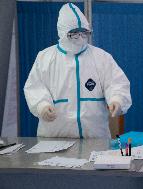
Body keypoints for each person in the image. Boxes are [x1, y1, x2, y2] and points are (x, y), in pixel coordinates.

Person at [24, 3, 132, 139]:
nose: (80, 38)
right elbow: (34, 87)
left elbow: (116, 83)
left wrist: (117, 99)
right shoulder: (45, 58)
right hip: (54, 139)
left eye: (84, 33)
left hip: (94, 140)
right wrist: (42, 106)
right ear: (62, 33)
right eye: (74, 34)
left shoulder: (101, 57)